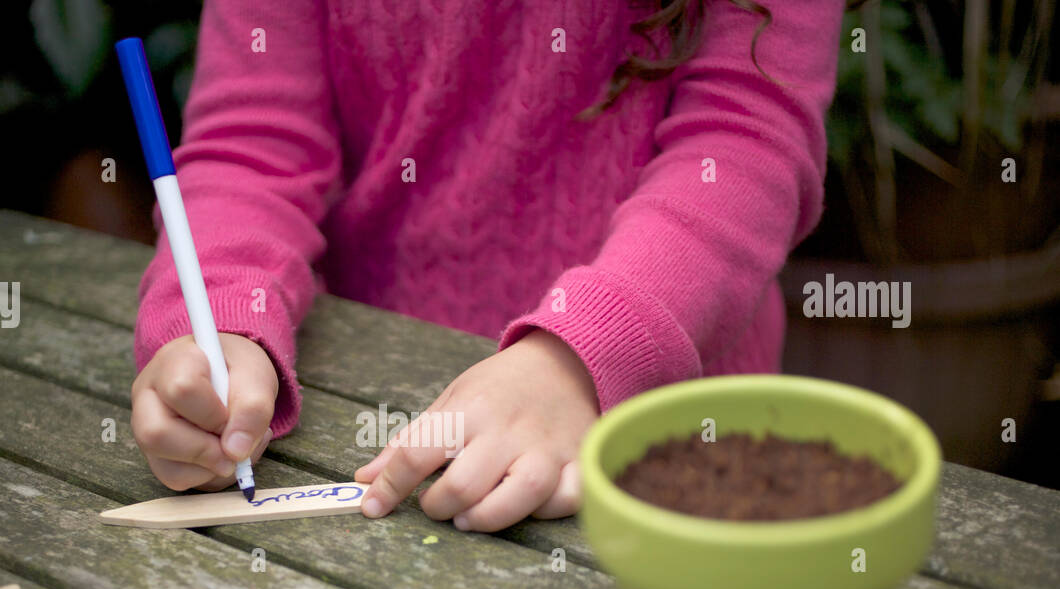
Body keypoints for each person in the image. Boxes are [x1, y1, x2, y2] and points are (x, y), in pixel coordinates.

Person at [129, 0, 841, 532]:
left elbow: (745, 143)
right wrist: (223, 316)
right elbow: (254, 143)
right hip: (379, 415)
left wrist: (580, 356)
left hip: (676, 448)